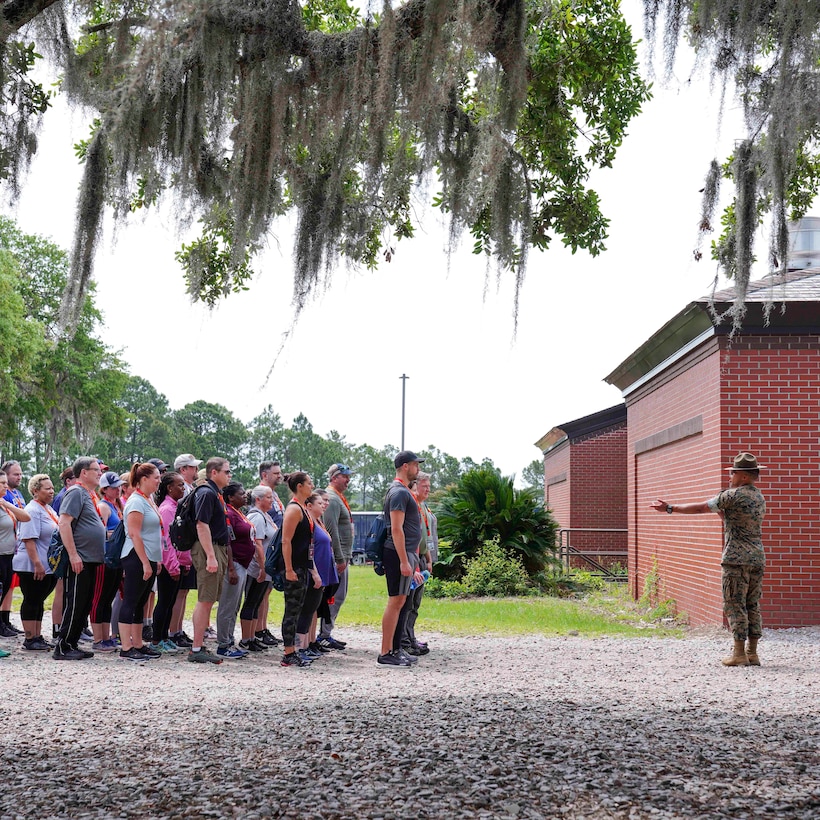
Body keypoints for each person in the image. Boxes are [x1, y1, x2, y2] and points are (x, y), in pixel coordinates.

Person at [651, 452, 767, 667]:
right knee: (752, 603)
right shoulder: (759, 497)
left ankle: (738, 654)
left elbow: (701, 507)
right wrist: (722, 507)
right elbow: (729, 519)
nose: (730, 476)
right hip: (757, 558)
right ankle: (753, 653)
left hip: (735, 558)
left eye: (733, 472)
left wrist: (669, 508)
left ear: (743, 476)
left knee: (734, 604)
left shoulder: (732, 496)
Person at [54, 457, 106, 660]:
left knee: (84, 603)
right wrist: (74, 555)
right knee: (75, 602)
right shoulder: (76, 492)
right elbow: (64, 523)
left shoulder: (88, 494)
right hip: (80, 558)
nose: (100, 473)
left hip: (90, 558)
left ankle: (72, 642)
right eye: (96, 470)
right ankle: (63, 645)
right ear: (84, 472)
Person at [378, 450, 425, 667]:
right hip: (399, 553)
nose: (418, 469)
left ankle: (396, 649)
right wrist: (404, 561)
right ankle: (386, 652)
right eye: (416, 465)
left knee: (401, 601)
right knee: (395, 600)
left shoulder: (403, 491)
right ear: (405, 466)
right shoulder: (398, 492)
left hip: (407, 553)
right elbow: (396, 529)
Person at [188, 457, 233, 664]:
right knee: (205, 599)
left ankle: (200, 644)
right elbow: (201, 525)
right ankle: (196, 648)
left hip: (217, 547)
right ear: (213, 472)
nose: (229, 475)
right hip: (209, 548)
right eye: (226, 471)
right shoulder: (206, 493)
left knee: (210, 598)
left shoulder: (215, 493)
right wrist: (211, 556)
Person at [118, 462, 164, 661]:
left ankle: (138, 643)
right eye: (156, 477)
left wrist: (156, 560)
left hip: (150, 557)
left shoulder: (149, 499)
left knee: (141, 602)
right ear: (144, 479)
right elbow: (135, 534)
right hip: (136, 557)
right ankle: (126, 646)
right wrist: (145, 562)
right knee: (130, 600)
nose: (159, 481)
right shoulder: (136, 502)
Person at [216, 482, 262, 659]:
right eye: (241, 494)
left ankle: (229, 639)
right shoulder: (228, 513)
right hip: (234, 564)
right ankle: (222, 645)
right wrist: (231, 569)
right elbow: (227, 541)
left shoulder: (239, 513)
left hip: (243, 564)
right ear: (230, 497)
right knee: (227, 606)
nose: (245, 496)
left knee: (234, 605)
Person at [14, 474, 58, 649]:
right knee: (31, 599)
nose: (51, 491)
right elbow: (29, 539)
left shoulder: (48, 509)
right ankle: (30, 637)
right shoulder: (31, 510)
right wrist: (37, 563)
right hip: (31, 564)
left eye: (52, 488)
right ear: (35, 491)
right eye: (47, 488)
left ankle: (38, 635)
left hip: (46, 564)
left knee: (39, 600)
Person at [280, 471, 317, 668]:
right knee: (292, 611)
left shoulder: (303, 508)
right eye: (309, 483)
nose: (312, 486)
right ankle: (288, 653)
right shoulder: (294, 509)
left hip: (302, 566)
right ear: (300, 486)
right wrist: (288, 568)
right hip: (293, 567)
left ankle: (293, 650)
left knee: (299, 609)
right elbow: (286, 541)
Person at [297, 490, 337, 661]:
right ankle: (301, 646)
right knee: (306, 609)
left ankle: (309, 643)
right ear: (309, 506)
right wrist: (314, 572)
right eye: (320, 503)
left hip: (322, 570)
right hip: (313, 572)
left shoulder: (318, 522)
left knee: (313, 609)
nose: (324, 506)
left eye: (324, 503)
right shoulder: (308, 523)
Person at [317, 463, 353, 651]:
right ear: (334, 477)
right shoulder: (331, 498)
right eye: (344, 476)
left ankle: (326, 633)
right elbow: (331, 529)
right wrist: (339, 557)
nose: (348, 480)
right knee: (333, 596)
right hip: (336, 558)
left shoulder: (338, 498)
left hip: (341, 556)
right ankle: (323, 634)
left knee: (338, 596)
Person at [90, 470, 126, 652]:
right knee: (99, 598)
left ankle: (106, 636)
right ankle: (98, 638)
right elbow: (100, 532)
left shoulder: (115, 506)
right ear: (105, 489)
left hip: (115, 557)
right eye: (114, 487)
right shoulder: (104, 506)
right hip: (105, 557)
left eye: (119, 486)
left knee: (108, 597)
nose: (118, 490)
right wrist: (115, 536)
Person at [150, 471, 185, 653]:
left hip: (176, 563)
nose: (183, 488)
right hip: (167, 564)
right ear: (169, 488)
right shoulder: (166, 509)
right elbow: (167, 541)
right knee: (164, 601)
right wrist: (172, 565)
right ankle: (156, 640)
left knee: (170, 602)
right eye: (179, 485)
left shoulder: (175, 507)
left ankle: (164, 636)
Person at [240, 485, 278, 651]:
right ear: (258, 499)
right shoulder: (256, 517)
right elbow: (258, 544)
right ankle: (246, 639)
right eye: (269, 497)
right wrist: (262, 568)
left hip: (265, 569)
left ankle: (253, 636)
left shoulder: (265, 516)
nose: (272, 500)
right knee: (251, 601)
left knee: (256, 602)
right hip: (256, 569)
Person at [403, 472, 435, 656]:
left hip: (422, 558)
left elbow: (426, 536)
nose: (427, 489)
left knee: (415, 603)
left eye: (429, 486)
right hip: (413, 559)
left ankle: (411, 636)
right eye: (424, 486)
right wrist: (415, 566)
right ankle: (405, 640)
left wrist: (428, 559)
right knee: (408, 602)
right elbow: (411, 539)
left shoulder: (423, 507)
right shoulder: (413, 507)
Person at [255, 460, 285, 644]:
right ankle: (258, 629)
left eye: (280, 473)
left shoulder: (274, 494)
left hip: (274, 550)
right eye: (275, 473)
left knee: (267, 592)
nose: (279, 476)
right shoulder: (261, 494)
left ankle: (263, 628)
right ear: (264, 475)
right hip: (267, 550)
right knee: (262, 593)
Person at [0, 468, 32, 638]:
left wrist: (5, 503)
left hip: (7, 556)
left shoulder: (4, 503)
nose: (6, 487)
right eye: (3, 483)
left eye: (6, 482)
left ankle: (3, 624)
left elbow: (25, 517)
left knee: (4, 593)